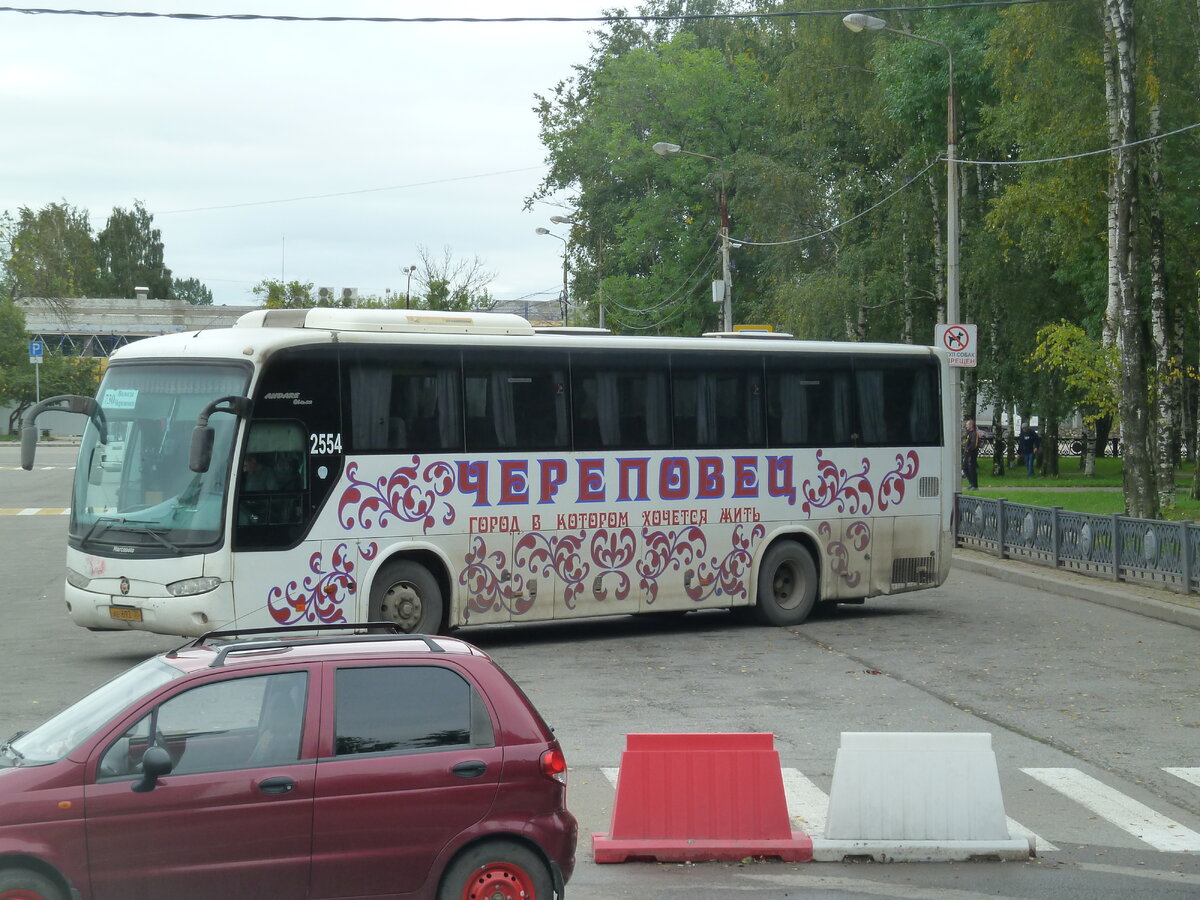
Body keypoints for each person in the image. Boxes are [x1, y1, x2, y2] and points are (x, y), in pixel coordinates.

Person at [962, 418, 980, 490]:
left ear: (971, 425)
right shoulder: (969, 433)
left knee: (971, 468)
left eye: (967, 425)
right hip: (967, 453)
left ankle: (975, 485)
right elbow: (966, 440)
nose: (966, 426)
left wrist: (968, 449)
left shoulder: (975, 433)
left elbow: (974, 444)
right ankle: (971, 483)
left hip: (972, 453)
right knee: (965, 468)